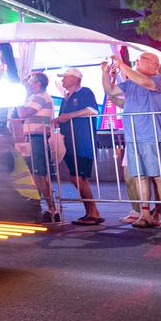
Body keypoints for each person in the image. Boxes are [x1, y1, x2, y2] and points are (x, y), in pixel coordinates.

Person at [102, 52, 161, 230]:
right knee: (139, 177)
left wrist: (121, 64)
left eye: (141, 59)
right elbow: (110, 91)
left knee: (159, 176)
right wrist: (105, 74)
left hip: (152, 135)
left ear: (154, 64)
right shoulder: (130, 82)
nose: (137, 62)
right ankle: (145, 213)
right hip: (133, 137)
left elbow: (146, 83)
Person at [53, 67, 103, 225]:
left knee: (78, 177)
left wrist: (69, 116)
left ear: (76, 78)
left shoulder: (85, 92)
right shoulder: (65, 98)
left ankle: (93, 212)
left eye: (65, 77)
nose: (63, 80)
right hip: (69, 142)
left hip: (83, 142)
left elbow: (93, 110)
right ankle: (90, 211)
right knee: (75, 177)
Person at [10, 72, 59, 223]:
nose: (28, 83)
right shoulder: (34, 97)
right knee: (36, 174)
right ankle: (42, 207)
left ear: (37, 83)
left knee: (39, 174)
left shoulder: (41, 96)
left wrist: (17, 97)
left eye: (30, 81)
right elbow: (18, 115)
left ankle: (51, 209)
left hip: (38, 138)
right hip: (33, 137)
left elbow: (24, 113)